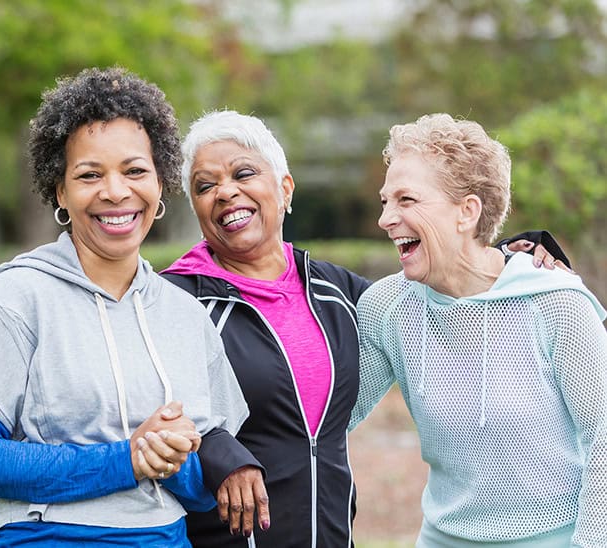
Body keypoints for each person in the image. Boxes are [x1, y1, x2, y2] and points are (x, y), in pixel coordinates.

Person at [161, 110, 568, 547]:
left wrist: (505, 257)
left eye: (243, 173)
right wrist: (215, 445)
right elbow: (141, 404)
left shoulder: (336, 291)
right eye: (204, 186)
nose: (224, 192)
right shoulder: (171, 300)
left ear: (285, 189)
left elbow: (439, 298)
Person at [0, 67, 250, 547]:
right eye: (89, 175)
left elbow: (200, 485)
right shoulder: (19, 298)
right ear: (60, 191)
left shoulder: (185, 315)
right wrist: (128, 459)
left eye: (135, 170)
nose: (116, 192)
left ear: (160, 182)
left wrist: (177, 455)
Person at [351, 113, 607, 546]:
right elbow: (328, 416)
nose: (385, 219)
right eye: (384, 201)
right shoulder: (387, 306)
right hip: (440, 538)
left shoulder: (556, 304)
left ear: (467, 212)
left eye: (406, 200)